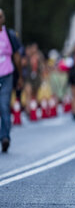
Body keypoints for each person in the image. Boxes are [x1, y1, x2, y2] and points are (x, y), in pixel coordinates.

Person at [0, 8, 23, 152]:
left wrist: (19, 76)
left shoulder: (9, 35)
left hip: (7, 74)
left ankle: (5, 137)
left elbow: (17, 57)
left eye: (0, 16)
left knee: (4, 105)